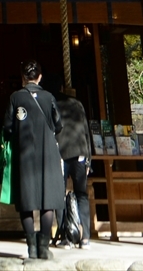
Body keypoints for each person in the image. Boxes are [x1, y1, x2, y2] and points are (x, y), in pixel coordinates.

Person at [2, 61, 64, 261]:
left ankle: (31, 248)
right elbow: (58, 125)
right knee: (48, 200)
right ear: (40, 77)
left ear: (23, 77)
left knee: (26, 200)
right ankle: (44, 247)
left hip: (24, 154)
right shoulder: (49, 97)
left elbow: (7, 127)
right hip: (48, 153)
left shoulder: (16, 97)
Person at [52, 84, 91, 248]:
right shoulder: (77, 104)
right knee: (81, 194)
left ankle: (65, 237)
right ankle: (86, 237)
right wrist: (89, 158)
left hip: (60, 153)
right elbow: (86, 131)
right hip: (80, 152)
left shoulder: (52, 103)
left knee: (59, 196)